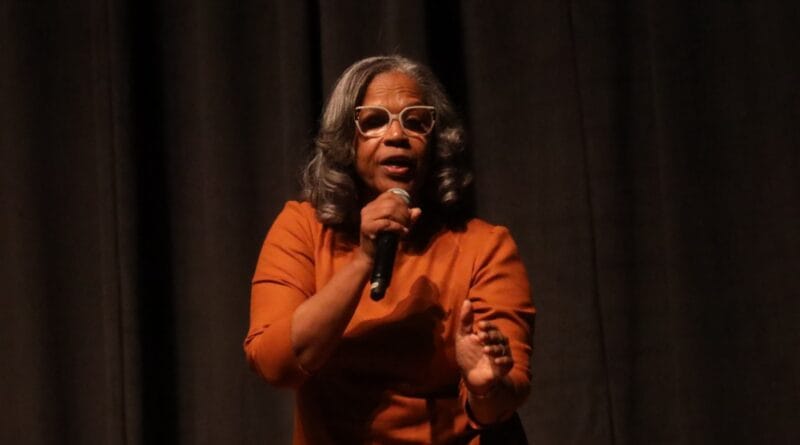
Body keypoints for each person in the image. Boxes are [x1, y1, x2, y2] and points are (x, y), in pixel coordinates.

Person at [244, 55, 535, 444]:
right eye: (375, 121)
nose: (397, 135)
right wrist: (365, 259)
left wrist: (485, 386)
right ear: (347, 140)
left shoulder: (484, 246)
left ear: (435, 142)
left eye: (416, 122)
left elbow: (504, 395)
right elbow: (274, 364)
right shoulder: (303, 229)